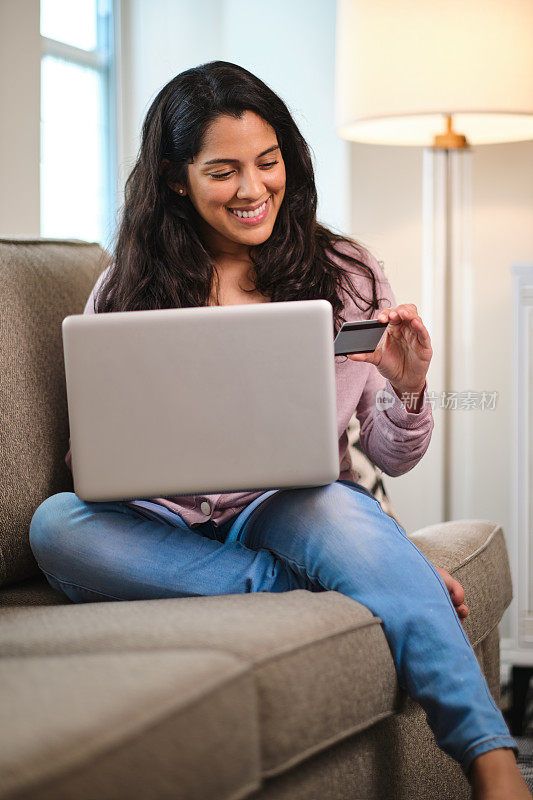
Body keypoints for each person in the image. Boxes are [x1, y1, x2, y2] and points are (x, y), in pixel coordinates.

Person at [29, 61, 529, 798]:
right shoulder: (128, 283)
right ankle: (341, 579)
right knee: (55, 525)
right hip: (159, 519)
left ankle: (492, 764)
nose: (254, 188)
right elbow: (92, 454)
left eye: (268, 164)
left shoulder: (347, 274)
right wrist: (110, 445)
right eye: (223, 171)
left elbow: (390, 451)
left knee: (338, 510)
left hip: (293, 501)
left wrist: (408, 387)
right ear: (176, 178)